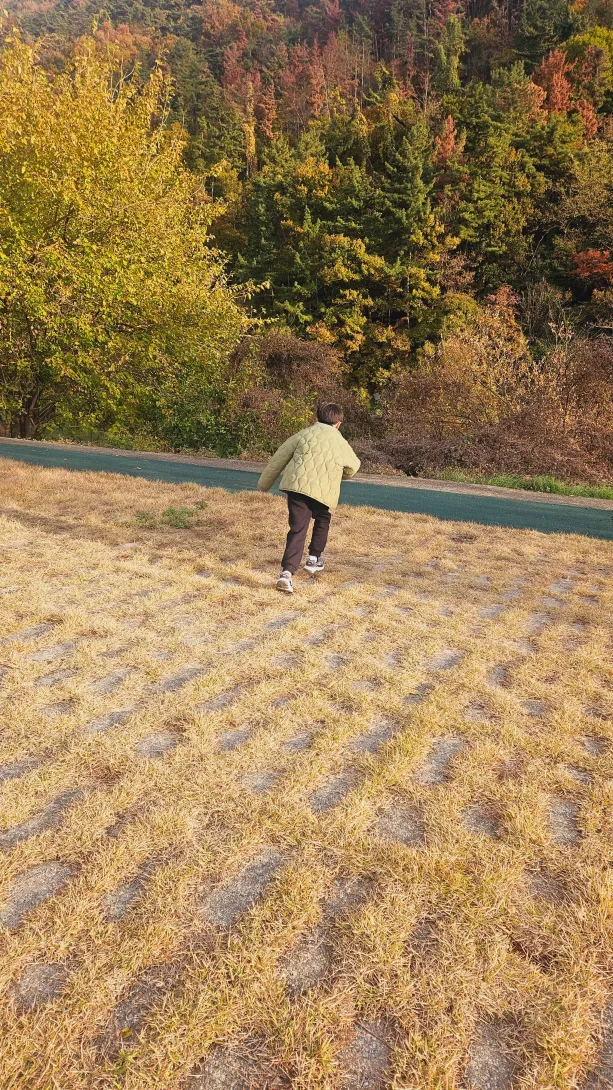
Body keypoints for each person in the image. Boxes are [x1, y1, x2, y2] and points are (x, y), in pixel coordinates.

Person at [258, 403, 361, 593]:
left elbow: (278, 459)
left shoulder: (303, 434)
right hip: (325, 490)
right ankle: (314, 558)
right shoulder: (341, 442)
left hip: (297, 488)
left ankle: (286, 573)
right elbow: (353, 467)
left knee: (297, 529)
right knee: (323, 519)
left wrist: (264, 485)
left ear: (316, 418)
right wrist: (338, 474)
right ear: (338, 424)